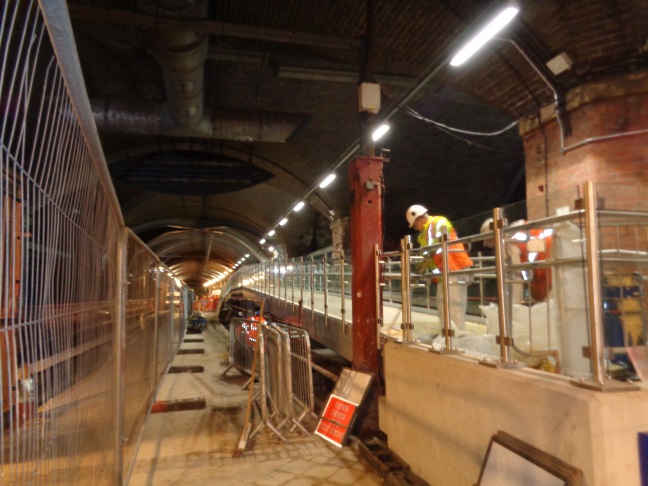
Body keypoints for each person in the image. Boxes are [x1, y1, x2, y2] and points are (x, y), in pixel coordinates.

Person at [406, 205, 473, 331]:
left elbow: (440, 239)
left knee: (454, 305)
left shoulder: (439, 221)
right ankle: (446, 334)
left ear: (420, 219)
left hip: (455, 267)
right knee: (442, 304)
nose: (416, 229)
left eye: (415, 226)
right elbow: (429, 259)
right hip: (444, 274)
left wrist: (430, 253)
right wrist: (423, 270)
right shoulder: (423, 237)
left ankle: (456, 337)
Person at [480, 218, 553, 302]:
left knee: (551, 307)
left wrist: (513, 305)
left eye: (488, 242)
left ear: (493, 237)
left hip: (544, 273)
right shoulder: (517, 231)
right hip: (552, 261)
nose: (487, 245)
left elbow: (515, 279)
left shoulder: (508, 243)